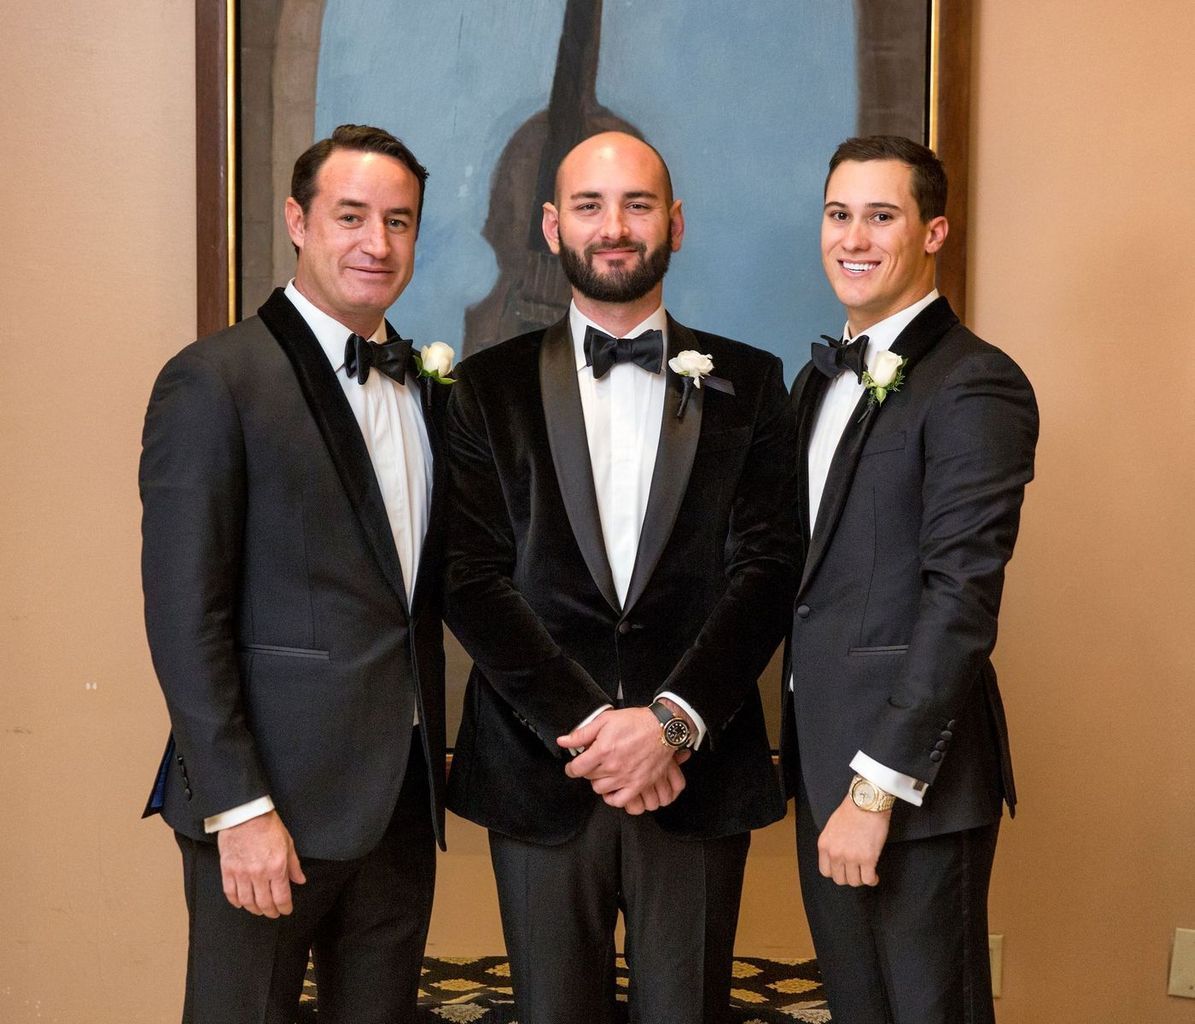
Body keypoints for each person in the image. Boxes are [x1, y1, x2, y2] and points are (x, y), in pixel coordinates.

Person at [443, 131, 796, 1024]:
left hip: (699, 770)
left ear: (673, 224)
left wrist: (672, 723)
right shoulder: (484, 388)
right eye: (591, 206)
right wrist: (596, 727)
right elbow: (470, 578)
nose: (615, 227)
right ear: (552, 226)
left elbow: (768, 570)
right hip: (539, 766)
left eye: (637, 204)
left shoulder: (751, 384)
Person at [140, 123, 450, 1023]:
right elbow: (183, 616)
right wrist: (239, 808)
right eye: (350, 216)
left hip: (396, 809)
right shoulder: (213, 380)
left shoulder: (427, 387)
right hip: (264, 810)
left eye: (398, 222)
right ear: (297, 221)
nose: (375, 243)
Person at [782, 135, 1039, 1024]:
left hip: (904, 787)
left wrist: (873, 788)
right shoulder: (811, 385)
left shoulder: (975, 383)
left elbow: (960, 599)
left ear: (932, 232)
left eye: (880, 216)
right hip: (823, 774)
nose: (853, 238)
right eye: (837, 214)